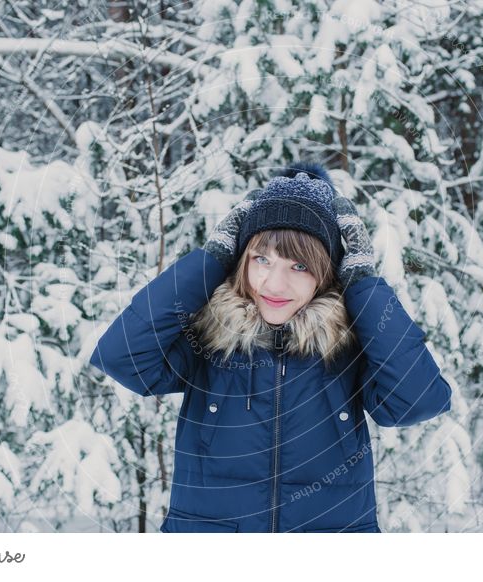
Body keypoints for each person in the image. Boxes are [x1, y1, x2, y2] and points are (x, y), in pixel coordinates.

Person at [89, 161, 453, 533]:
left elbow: (419, 400)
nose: (274, 284)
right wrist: (211, 259)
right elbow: (122, 357)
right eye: (261, 260)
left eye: (300, 266)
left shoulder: (350, 345)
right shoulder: (209, 338)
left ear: (328, 272)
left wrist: (362, 284)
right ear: (240, 261)